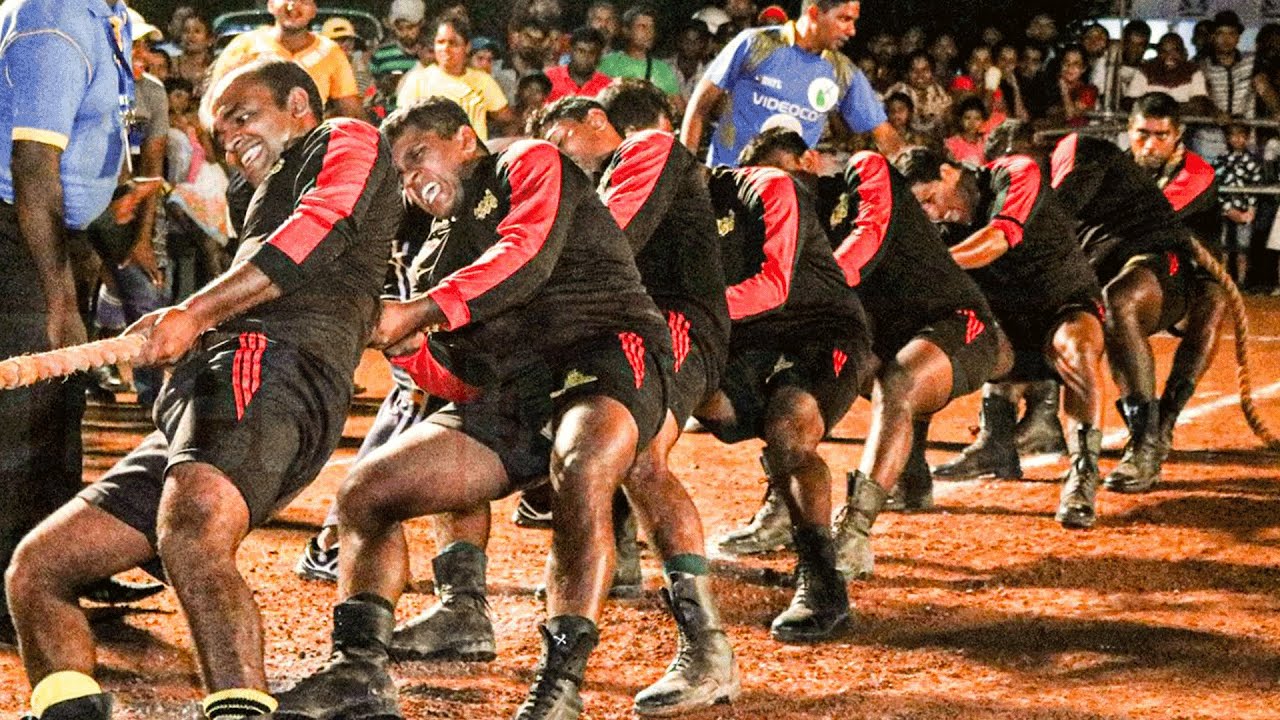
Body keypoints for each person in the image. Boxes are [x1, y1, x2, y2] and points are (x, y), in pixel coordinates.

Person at [5, 59, 402, 719]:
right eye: (220, 132)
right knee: (38, 570)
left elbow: (319, 229)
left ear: (301, 104)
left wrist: (197, 312)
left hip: (271, 366)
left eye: (244, 115)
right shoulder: (260, 197)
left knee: (191, 532)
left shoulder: (343, 138)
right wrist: (189, 328)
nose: (231, 138)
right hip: (220, 384)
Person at [274, 97, 675, 720]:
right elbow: (457, 376)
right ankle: (358, 673)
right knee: (364, 494)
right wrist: (404, 348)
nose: (411, 180)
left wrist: (422, 311)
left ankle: (559, 687)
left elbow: (526, 253)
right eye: (400, 174)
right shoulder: (431, 248)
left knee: (582, 466)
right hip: (514, 390)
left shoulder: (528, 159)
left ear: (465, 139)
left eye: (417, 156)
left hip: (605, 351)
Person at [530, 83, 740, 715]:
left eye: (563, 144)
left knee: (644, 455)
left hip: (671, 320)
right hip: (622, 325)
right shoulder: (599, 181)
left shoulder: (649, 146)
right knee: (600, 453)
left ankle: (708, 652)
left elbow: (608, 240)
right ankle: (613, 571)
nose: (562, 163)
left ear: (596, 118)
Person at [723, 131, 999, 572]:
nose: (775, 192)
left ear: (809, 162)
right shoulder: (785, 227)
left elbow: (867, 239)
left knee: (899, 382)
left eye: (782, 176)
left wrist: (804, 282)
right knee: (790, 385)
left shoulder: (864, 173)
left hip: (957, 323)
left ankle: (853, 535)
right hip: (879, 340)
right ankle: (783, 507)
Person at [0, 0, 147, 654]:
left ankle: (57, 572)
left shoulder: (107, 15)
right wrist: (60, 296)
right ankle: (11, 593)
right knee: (22, 424)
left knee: (57, 414)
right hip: (17, 234)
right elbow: (34, 170)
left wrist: (119, 273)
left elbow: (92, 163)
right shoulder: (53, 15)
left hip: (58, 233)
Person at [699, 152, 872, 640]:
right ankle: (623, 542)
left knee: (790, 427)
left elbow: (773, 286)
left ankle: (822, 581)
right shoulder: (661, 218)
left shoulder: (766, 186)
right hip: (747, 344)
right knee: (664, 393)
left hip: (820, 332)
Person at [897, 144, 1107, 530]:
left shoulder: (1013, 173)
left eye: (929, 198)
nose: (933, 212)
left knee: (1077, 347)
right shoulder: (938, 225)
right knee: (919, 344)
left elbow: (998, 238)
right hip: (1006, 336)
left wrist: (936, 263)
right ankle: (911, 476)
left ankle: (1082, 478)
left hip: (1062, 309)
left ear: (948, 172)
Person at [1048, 92, 1218, 494]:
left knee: (1214, 301)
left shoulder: (1196, 173)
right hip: (1123, 264)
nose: (1149, 144)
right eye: (1142, 134)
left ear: (1178, 137)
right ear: (1129, 130)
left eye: (1161, 136)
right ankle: (1036, 418)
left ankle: (1162, 423)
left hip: (1185, 275)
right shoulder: (1113, 165)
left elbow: (1151, 214)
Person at [681, 0, 903, 167]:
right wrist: (684, 173)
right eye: (844, 19)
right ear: (814, 13)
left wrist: (910, 176)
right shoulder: (755, 44)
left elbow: (885, 135)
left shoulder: (842, 72)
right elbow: (699, 106)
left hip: (788, 197)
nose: (852, 31)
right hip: (728, 179)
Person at [209, 0, 364, 118]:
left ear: (313, 10)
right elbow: (214, 105)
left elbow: (351, 111)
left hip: (310, 146)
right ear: (270, 5)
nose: (292, 6)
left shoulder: (330, 51)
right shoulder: (244, 46)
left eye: (303, 0)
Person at [397, 17, 516, 141]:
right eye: (440, 42)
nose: (445, 49)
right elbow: (403, 125)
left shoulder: (482, 81)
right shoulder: (417, 81)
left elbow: (508, 120)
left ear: (467, 47)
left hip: (475, 157)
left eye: (453, 43)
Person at [598, 5, 682, 100]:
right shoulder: (608, 63)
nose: (649, 32)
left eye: (652, 27)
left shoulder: (662, 69)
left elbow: (680, 109)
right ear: (627, 31)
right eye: (642, 27)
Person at [1214, 121, 1263, 284]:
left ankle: (1241, 281)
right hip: (1224, 209)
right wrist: (1227, 209)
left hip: (1244, 209)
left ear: (1247, 138)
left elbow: (1255, 186)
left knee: (1243, 248)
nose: (1237, 139)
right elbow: (1216, 184)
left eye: (1242, 135)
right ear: (1228, 138)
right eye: (1233, 135)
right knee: (1223, 247)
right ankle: (1223, 280)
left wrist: (1250, 210)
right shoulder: (1221, 159)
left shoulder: (1253, 162)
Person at [544, 27, 612, 103]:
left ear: (599, 56)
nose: (586, 57)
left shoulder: (606, 86)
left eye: (592, 52)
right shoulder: (549, 78)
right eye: (581, 51)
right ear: (570, 51)